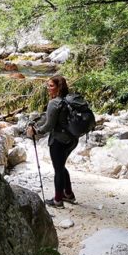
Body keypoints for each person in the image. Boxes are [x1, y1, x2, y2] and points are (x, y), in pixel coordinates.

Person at [32, 75, 77, 208]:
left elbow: (48, 126)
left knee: (58, 169)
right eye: (48, 85)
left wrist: (36, 131)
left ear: (58, 88)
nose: (48, 88)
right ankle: (68, 194)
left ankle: (58, 200)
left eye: (51, 86)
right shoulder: (69, 100)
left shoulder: (54, 103)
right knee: (61, 165)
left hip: (59, 141)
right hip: (72, 139)